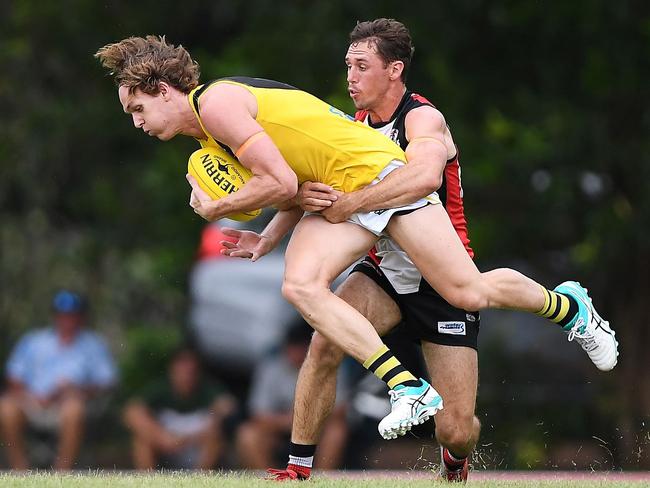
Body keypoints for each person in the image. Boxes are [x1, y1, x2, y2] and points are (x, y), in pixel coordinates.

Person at [95, 35, 617, 444]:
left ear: (164, 90)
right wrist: (267, 238)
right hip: (350, 199)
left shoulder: (216, 106)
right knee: (301, 287)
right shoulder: (214, 125)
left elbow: (280, 183)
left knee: (468, 292)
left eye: (137, 109)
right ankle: (405, 387)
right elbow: (296, 182)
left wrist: (216, 207)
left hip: (373, 181)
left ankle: (565, 305)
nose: (138, 122)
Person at [0, 290, 117, 470]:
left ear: (81, 317)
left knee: (74, 408)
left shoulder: (94, 344)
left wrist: (77, 391)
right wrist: (31, 395)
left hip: (69, 405)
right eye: (62, 315)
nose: (67, 320)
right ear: (54, 316)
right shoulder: (33, 340)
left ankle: (61, 473)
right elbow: (14, 376)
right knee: (6, 407)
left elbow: (107, 382)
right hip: (33, 402)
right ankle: (20, 471)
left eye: (72, 315)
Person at [237, 320, 348, 470]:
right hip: (280, 431)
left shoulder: (329, 366)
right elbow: (258, 414)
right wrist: (290, 421)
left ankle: (322, 479)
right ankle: (273, 481)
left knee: (337, 431)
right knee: (247, 434)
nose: (296, 353)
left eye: (301, 347)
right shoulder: (272, 369)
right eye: (292, 347)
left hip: (317, 431)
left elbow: (340, 410)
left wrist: (309, 420)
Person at [123, 346, 235, 469]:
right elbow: (132, 411)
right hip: (166, 447)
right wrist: (161, 437)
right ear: (172, 370)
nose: (186, 374)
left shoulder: (209, 389)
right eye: (182, 368)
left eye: (190, 370)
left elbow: (227, 407)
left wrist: (189, 439)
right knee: (141, 440)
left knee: (215, 437)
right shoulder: (160, 389)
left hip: (197, 448)